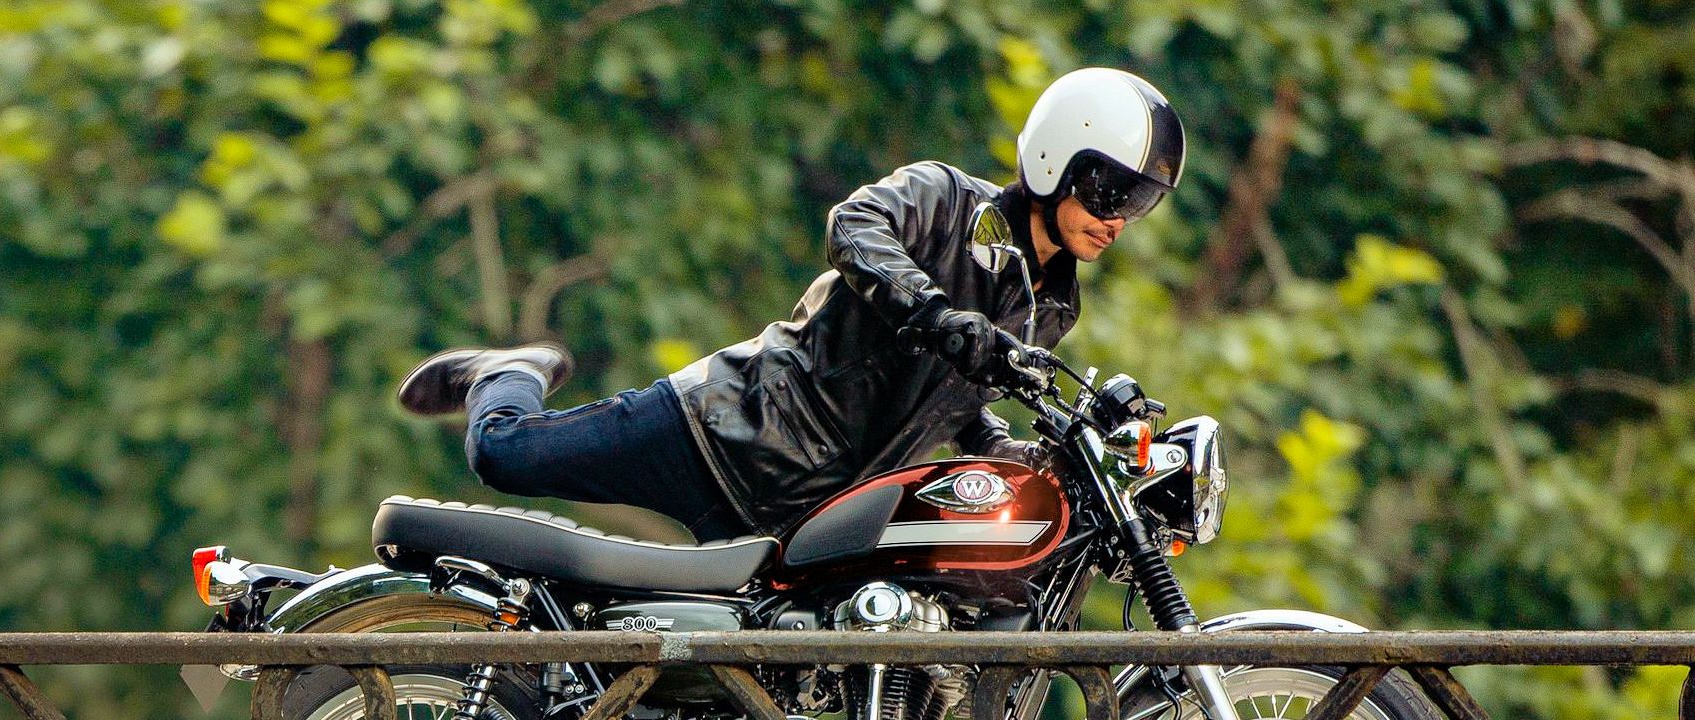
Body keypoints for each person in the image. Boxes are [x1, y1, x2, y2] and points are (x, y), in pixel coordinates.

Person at [399, 67, 1186, 542]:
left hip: (806, 518)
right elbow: (853, 226)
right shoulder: (946, 200)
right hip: (726, 432)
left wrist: (1023, 457)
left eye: (1139, 200)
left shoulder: (1050, 312)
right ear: (1056, 157)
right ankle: (503, 372)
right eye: (1110, 187)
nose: (1117, 216)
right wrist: (936, 313)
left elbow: (955, 409)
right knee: (504, 456)